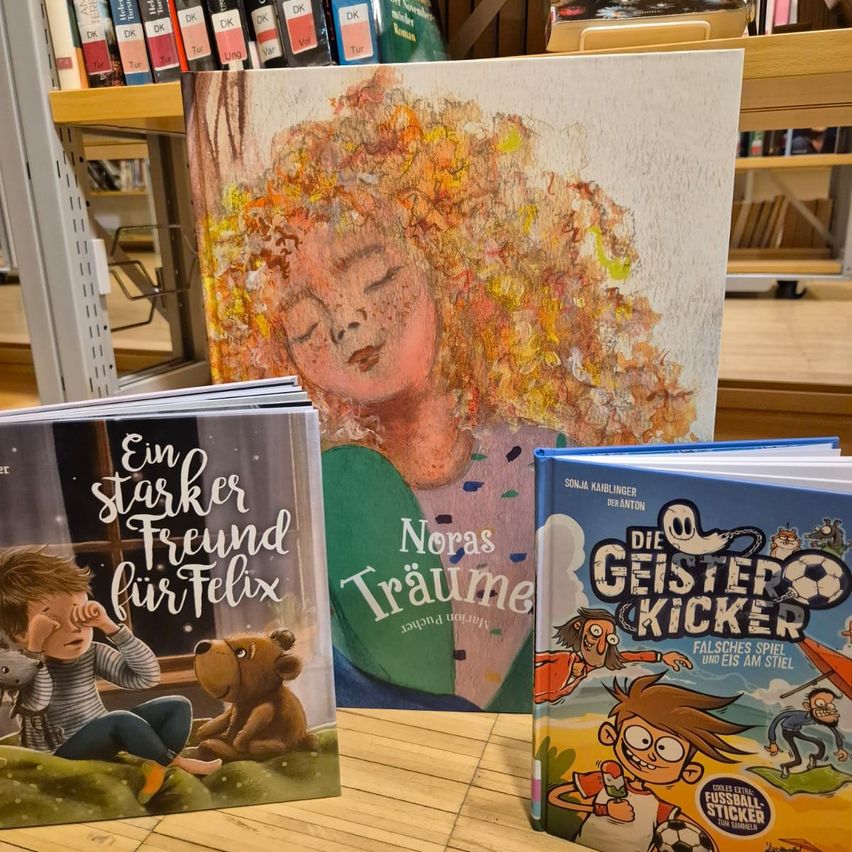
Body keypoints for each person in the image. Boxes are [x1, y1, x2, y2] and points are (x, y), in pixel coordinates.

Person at [197, 68, 698, 709]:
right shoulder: (329, 492)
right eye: (303, 320)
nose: (345, 319)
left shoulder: (551, 460)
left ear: (452, 262)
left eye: (374, 275)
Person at [0, 547, 221, 803]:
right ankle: (177, 762)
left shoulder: (92, 652)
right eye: (54, 621)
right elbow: (37, 701)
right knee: (119, 720)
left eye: (77, 613)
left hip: (102, 735)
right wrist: (36, 645)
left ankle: (157, 769)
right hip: (58, 752)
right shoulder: (23, 667)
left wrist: (110, 627)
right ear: (19, 633)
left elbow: (146, 677)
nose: (74, 628)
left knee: (176, 706)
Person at [548, 673, 750, 852]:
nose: (650, 755)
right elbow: (554, 797)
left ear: (689, 772)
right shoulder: (604, 780)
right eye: (639, 737)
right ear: (610, 735)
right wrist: (604, 810)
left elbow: (707, 841)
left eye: (668, 749)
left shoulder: (660, 808)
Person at [534, 607, 692, 703]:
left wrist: (661, 657)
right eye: (596, 632)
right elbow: (538, 658)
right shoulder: (563, 657)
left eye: (609, 639)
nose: (601, 646)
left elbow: (630, 656)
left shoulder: (590, 669)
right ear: (578, 627)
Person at [766, 688, 848, 778]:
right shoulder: (798, 714)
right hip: (787, 733)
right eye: (820, 703)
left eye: (830, 705)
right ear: (807, 706)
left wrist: (840, 747)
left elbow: (835, 731)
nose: (825, 708)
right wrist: (772, 742)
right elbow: (778, 718)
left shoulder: (818, 718)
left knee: (820, 744)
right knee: (798, 761)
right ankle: (785, 767)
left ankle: (813, 757)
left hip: (797, 731)